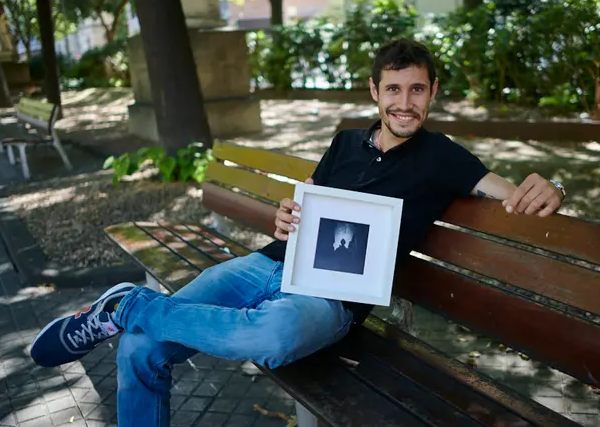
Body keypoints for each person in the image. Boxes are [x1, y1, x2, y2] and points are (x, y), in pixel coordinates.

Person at [29, 38, 566, 426]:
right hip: (267, 264)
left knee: (273, 338)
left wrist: (555, 186)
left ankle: (124, 306)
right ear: (374, 91)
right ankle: (130, 314)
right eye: (394, 89)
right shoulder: (343, 142)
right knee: (137, 351)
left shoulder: (443, 156)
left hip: (329, 299)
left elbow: (513, 191)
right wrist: (286, 214)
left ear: (432, 93)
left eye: (418, 90)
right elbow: (302, 201)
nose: (406, 103)